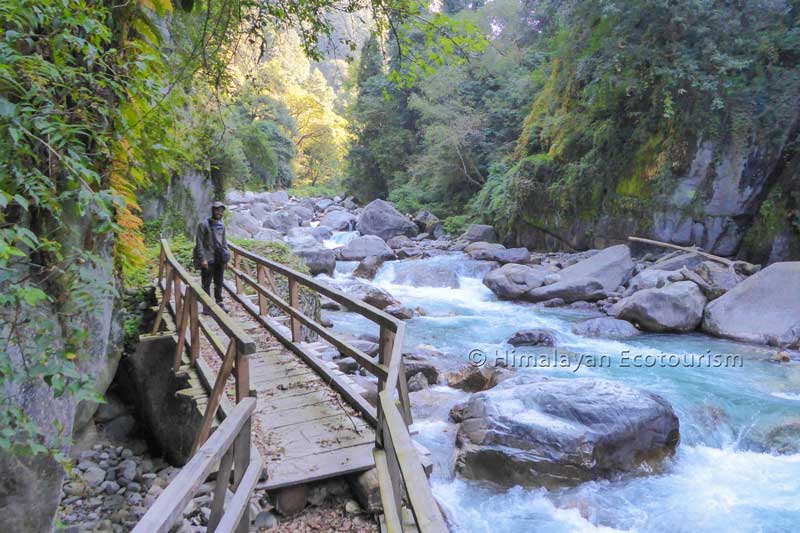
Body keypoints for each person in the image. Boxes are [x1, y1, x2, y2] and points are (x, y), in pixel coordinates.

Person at [193, 201, 231, 313]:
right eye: (217, 210)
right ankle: (206, 306)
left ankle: (219, 302)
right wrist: (202, 259)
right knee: (206, 283)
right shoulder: (203, 224)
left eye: (221, 210)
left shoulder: (222, 225)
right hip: (208, 259)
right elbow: (199, 243)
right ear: (213, 210)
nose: (219, 212)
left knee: (219, 282)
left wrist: (227, 259)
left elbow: (224, 242)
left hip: (219, 258)